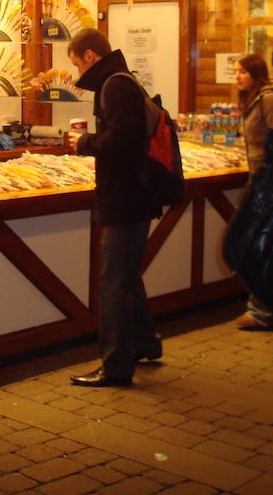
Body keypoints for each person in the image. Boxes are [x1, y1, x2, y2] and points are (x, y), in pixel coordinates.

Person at [66, 28, 162, 387]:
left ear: (90, 56)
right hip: (135, 195)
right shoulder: (123, 80)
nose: (77, 75)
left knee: (114, 283)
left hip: (125, 198)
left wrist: (84, 141)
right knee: (127, 277)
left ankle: (116, 366)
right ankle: (146, 343)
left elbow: (119, 143)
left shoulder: (114, 86)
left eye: (77, 64)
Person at [233, 52, 273, 331]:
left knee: (260, 245)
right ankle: (266, 306)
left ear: (256, 74)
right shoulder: (254, 99)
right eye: (236, 71)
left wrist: (272, 175)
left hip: (268, 183)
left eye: (242, 72)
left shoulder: (269, 99)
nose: (237, 76)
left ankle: (261, 309)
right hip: (260, 179)